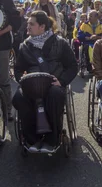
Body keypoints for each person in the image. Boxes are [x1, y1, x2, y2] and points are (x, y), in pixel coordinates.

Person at [13, 11, 77, 152]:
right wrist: (21, 78)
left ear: (42, 26)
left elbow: (73, 66)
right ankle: (31, 139)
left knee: (54, 94)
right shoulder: (25, 46)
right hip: (30, 84)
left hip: (53, 83)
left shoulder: (60, 43)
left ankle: (52, 139)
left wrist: (61, 81)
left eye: (31, 24)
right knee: (19, 97)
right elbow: (17, 69)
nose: (27, 26)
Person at [78, 10, 102, 75]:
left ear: (96, 17)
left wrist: (97, 37)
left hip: (99, 42)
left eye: (91, 16)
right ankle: (90, 68)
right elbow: (79, 36)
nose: (89, 17)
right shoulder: (84, 25)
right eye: (89, 15)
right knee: (86, 48)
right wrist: (88, 37)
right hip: (88, 43)